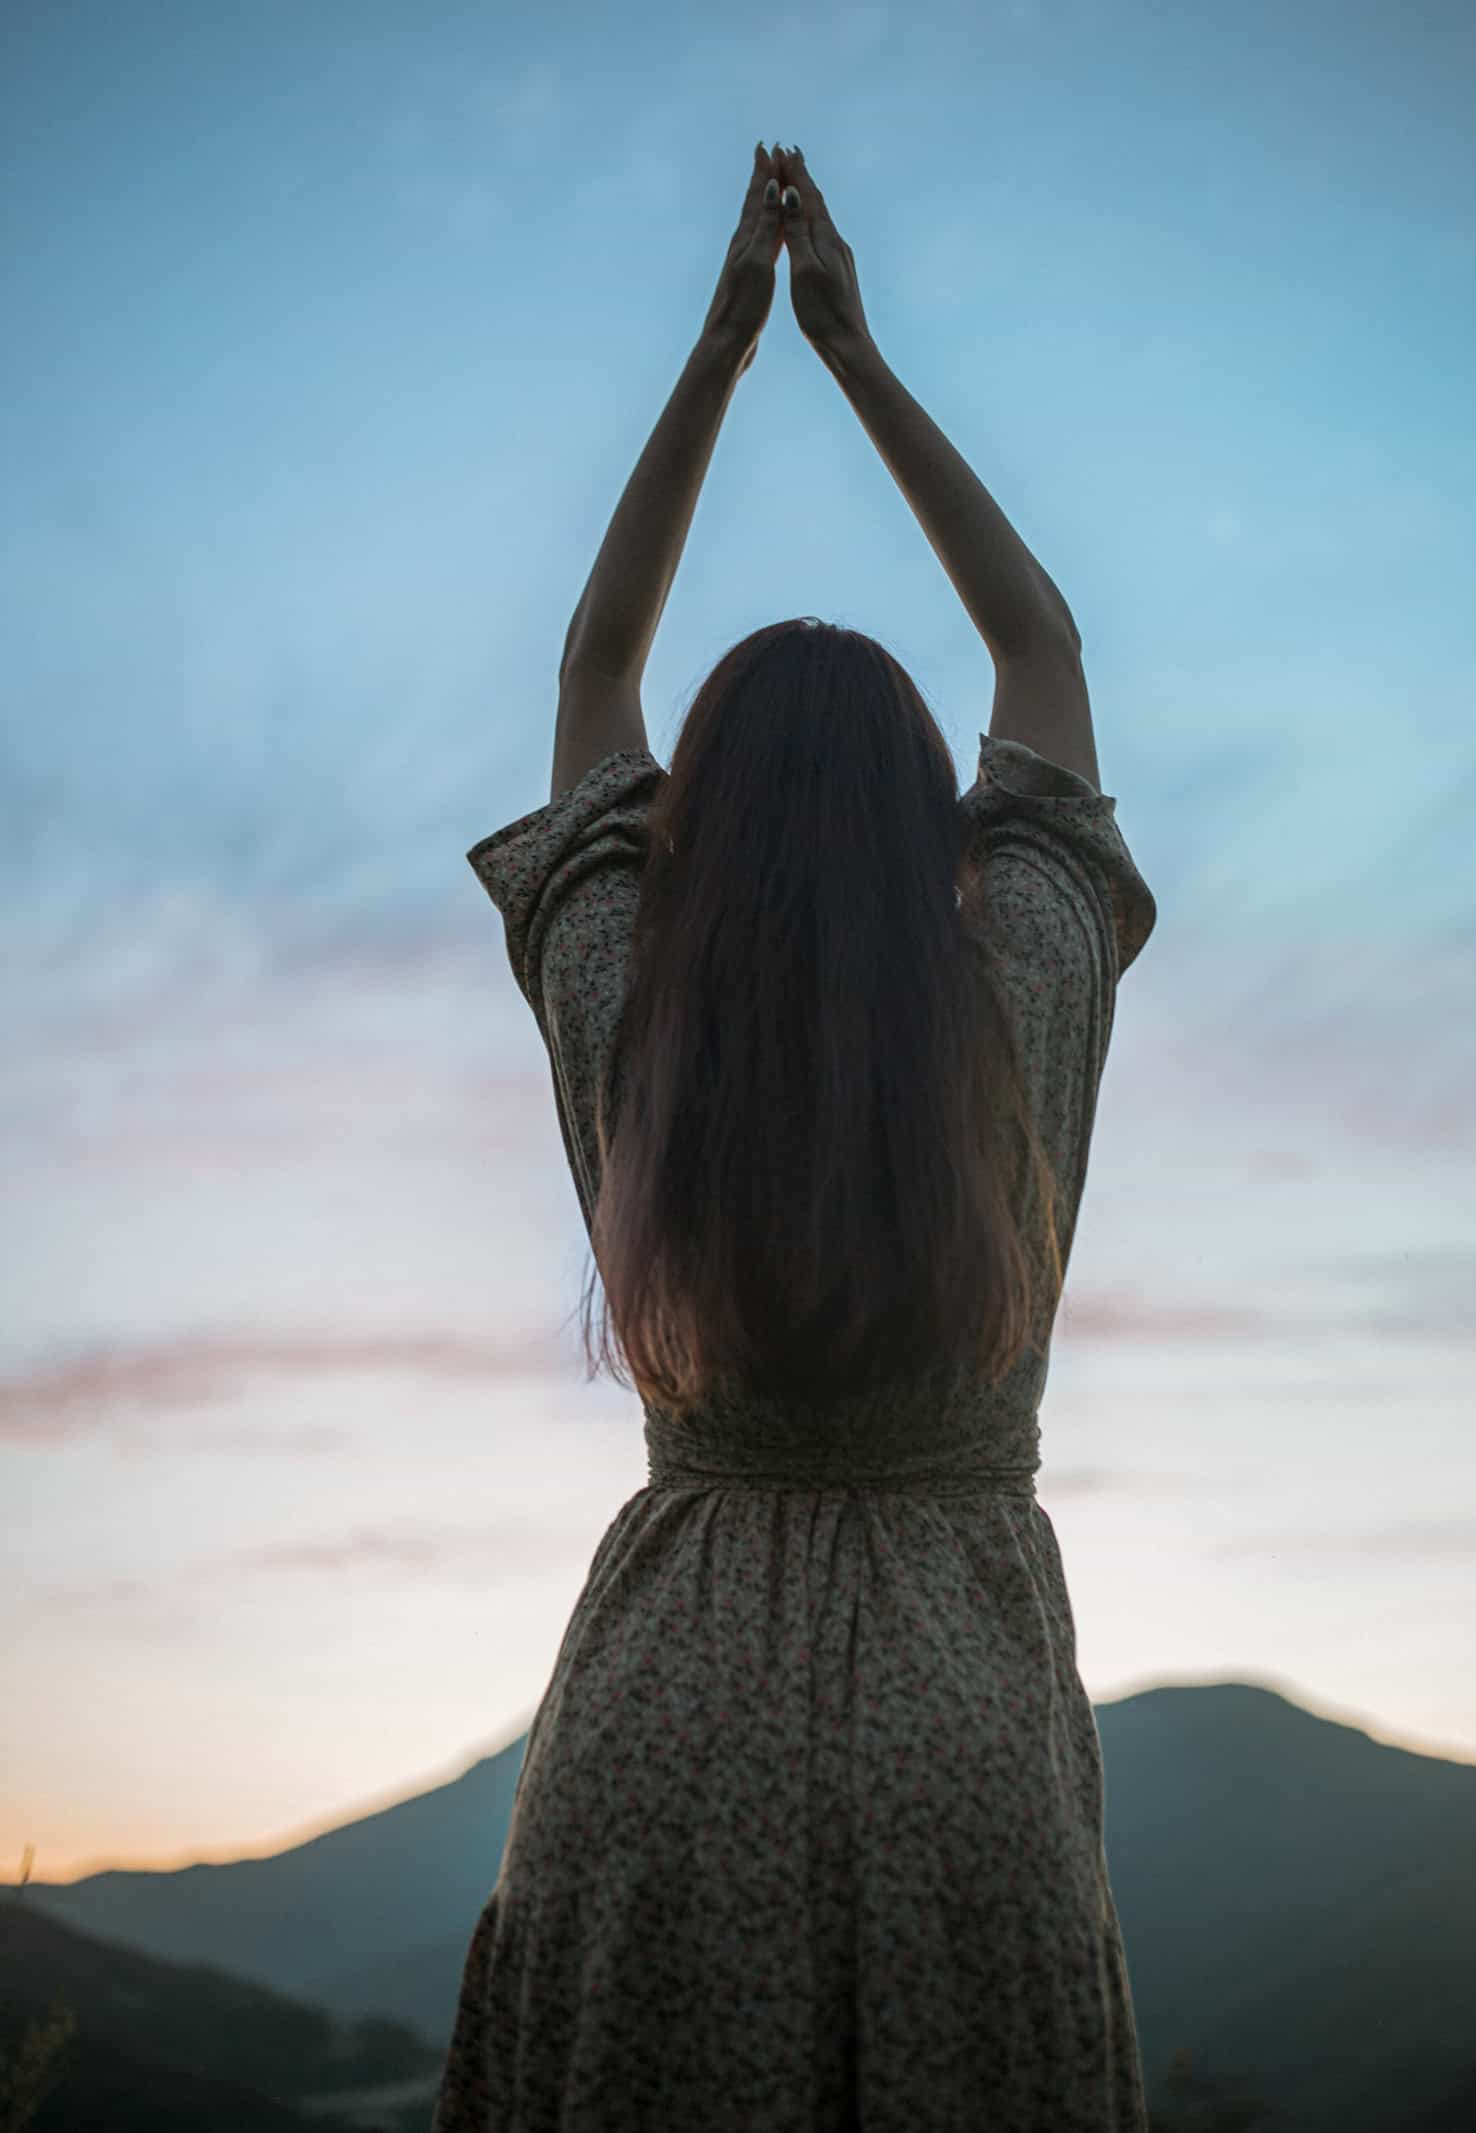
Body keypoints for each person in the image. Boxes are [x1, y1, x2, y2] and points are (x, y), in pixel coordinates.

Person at [432, 142, 1156, 2133]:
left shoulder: (628, 1003)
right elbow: (1045, 653)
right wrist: (853, 347)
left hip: (669, 1708)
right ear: (938, 828)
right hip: (965, 1707)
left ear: (687, 840)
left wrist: (719, 347)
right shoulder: (1019, 987)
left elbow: (590, 668)